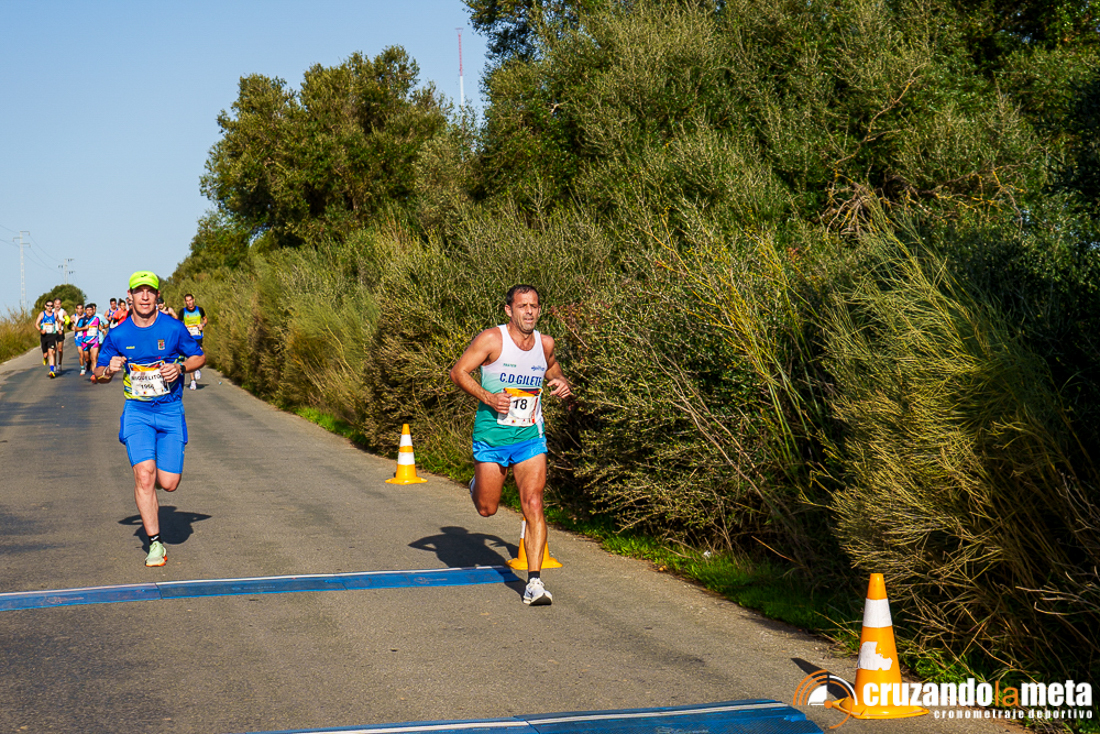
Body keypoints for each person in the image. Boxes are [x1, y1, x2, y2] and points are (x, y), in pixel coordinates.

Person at [449, 284, 572, 606]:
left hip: (530, 436)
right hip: (492, 436)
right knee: (486, 508)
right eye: (522, 306)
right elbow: (458, 372)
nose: (529, 311)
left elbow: (554, 371)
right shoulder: (492, 339)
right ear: (509, 310)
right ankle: (477, 483)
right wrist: (489, 397)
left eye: (534, 306)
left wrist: (561, 384)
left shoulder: (545, 344)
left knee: (533, 502)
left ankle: (534, 582)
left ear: (539, 310)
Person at [95, 272, 205, 567]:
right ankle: (155, 544)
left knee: (168, 483)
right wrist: (108, 370)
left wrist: (180, 368)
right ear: (129, 296)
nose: (144, 296)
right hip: (137, 412)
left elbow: (199, 357)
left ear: (157, 296)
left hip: (169, 410)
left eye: (150, 291)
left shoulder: (173, 328)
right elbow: (98, 373)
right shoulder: (118, 334)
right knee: (144, 475)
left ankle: (157, 480)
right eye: (138, 291)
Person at [178, 293, 207, 390]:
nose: (189, 302)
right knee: (190, 357)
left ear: (193, 300)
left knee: (199, 355)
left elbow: (205, 319)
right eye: (187, 301)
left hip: (198, 335)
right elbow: (178, 323)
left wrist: (202, 325)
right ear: (185, 302)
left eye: (190, 300)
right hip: (188, 337)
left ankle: (197, 368)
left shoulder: (200, 310)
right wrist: (183, 327)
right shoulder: (183, 311)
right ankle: (192, 381)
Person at [76, 303, 105, 380]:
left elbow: (99, 326)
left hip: (94, 342)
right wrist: (84, 328)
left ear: (93, 311)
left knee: (94, 358)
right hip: (85, 342)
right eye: (87, 310)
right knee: (87, 359)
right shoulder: (82, 320)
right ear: (85, 311)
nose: (89, 312)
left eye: (90, 310)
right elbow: (76, 329)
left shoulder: (96, 319)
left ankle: (94, 375)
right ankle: (88, 364)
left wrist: (102, 330)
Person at [35, 301, 61, 377]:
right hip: (44, 336)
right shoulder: (42, 314)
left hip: (52, 335)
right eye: (48, 305)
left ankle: (52, 371)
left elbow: (59, 322)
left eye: (51, 306)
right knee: (46, 354)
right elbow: (36, 324)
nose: (50, 307)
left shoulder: (55, 314)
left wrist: (59, 329)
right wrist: (41, 330)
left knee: (51, 352)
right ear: (45, 306)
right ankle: (45, 358)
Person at [53, 298, 69, 373]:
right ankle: (54, 365)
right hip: (52, 331)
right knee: (53, 350)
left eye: (58, 304)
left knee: (60, 349)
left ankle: (59, 363)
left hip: (60, 331)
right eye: (56, 304)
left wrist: (62, 321)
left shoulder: (63, 312)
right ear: (54, 304)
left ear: (61, 304)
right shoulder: (51, 311)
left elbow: (67, 321)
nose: (57, 305)